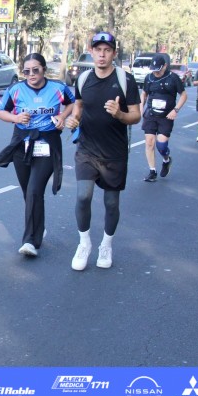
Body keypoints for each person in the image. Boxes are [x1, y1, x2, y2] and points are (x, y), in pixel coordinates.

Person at [64, 32, 141, 270]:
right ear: (92, 51)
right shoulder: (83, 79)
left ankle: (106, 245)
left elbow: (136, 115)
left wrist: (119, 114)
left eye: (107, 50)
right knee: (82, 196)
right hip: (87, 148)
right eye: (98, 50)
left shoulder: (125, 80)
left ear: (114, 54)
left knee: (111, 203)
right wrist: (74, 119)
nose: (102, 54)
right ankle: (84, 243)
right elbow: (79, 106)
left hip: (114, 152)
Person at [0, 53, 75, 257]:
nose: (31, 74)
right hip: (22, 143)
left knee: (35, 190)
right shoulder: (16, 90)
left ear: (44, 69)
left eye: (35, 70)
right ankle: (38, 227)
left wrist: (62, 116)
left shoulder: (58, 88)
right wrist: (16, 117)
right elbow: (0, 112)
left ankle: (30, 241)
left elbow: (73, 103)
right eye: (26, 71)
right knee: (28, 191)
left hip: (47, 143)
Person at [139, 53, 187, 182]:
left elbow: (183, 95)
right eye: (154, 70)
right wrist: (141, 107)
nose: (156, 73)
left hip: (166, 116)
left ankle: (166, 160)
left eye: (158, 70)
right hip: (151, 114)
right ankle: (152, 171)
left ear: (165, 66)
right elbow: (144, 93)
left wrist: (175, 110)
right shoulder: (149, 78)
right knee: (149, 142)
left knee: (161, 146)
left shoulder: (173, 78)